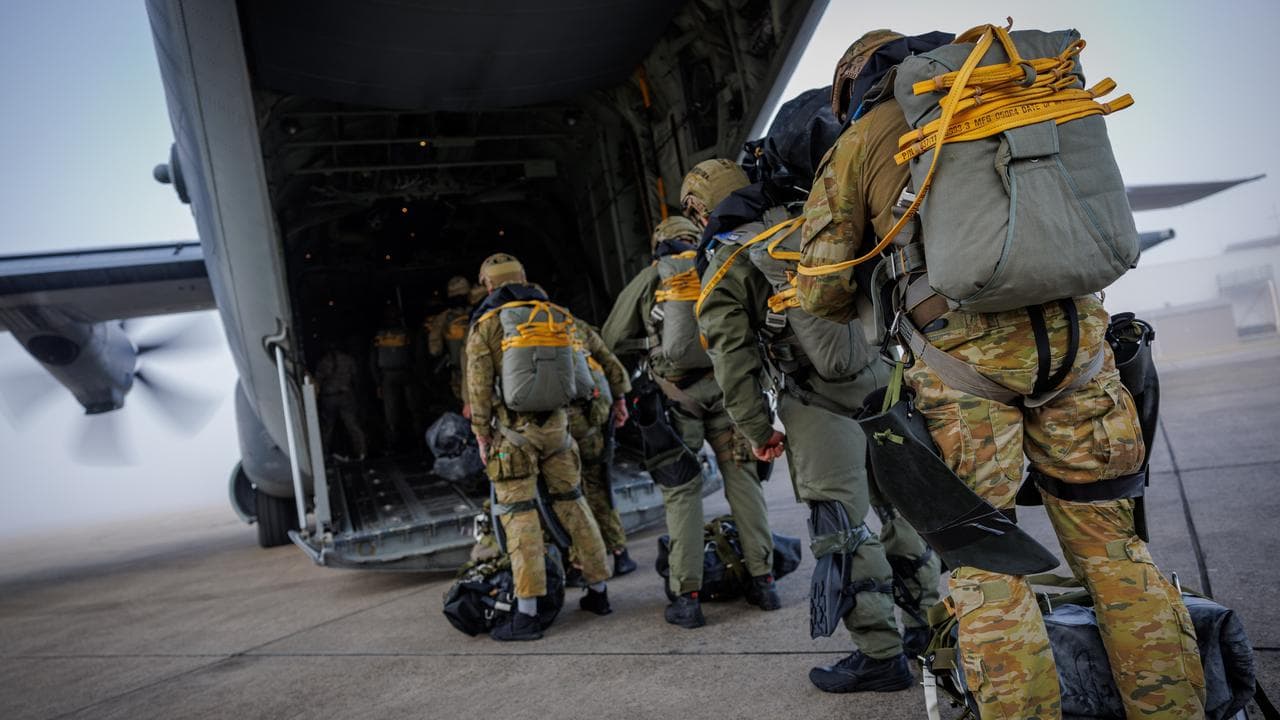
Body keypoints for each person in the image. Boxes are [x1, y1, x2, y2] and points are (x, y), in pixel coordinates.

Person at [796, 29, 1206, 718]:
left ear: (854, 83)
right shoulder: (1023, 94)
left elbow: (819, 294)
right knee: (1113, 551)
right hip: (1080, 349)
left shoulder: (863, 140)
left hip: (965, 370)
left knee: (987, 570)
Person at [695, 89, 940, 693]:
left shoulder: (729, 253)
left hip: (818, 402)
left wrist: (757, 429)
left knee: (844, 528)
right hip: (883, 382)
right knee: (903, 509)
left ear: (702, 210)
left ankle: (880, 656)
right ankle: (932, 630)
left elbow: (733, 355)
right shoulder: (815, 212)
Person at [602, 194, 779, 630]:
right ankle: (764, 582)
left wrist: (649, 342)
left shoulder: (652, 277)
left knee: (682, 493)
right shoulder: (716, 263)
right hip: (728, 392)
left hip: (676, 399)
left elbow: (609, 336)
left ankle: (688, 596)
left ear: (659, 244)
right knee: (745, 484)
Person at [465, 253, 615, 641]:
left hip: (512, 439)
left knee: (521, 519)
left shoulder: (486, 325)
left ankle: (528, 613)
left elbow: (478, 389)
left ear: (488, 285)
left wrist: (482, 436)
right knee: (575, 503)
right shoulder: (556, 315)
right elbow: (584, 382)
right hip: (560, 432)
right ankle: (599, 592)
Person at [566, 321, 638, 582]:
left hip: (556, 424)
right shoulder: (572, 324)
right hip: (591, 417)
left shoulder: (515, 329)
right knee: (598, 484)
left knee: (568, 495)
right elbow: (608, 361)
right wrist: (620, 400)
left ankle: (578, 564)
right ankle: (620, 553)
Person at [371, 304, 426, 451]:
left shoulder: (406, 333)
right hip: (389, 376)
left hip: (405, 373)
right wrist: (378, 382)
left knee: (413, 408)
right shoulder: (380, 335)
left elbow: (416, 354)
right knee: (391, 413)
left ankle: (419, 439)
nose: (392, 318)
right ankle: (394, 443)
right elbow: (373, 359)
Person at [313, 338, 368, 461]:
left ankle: (324, 454)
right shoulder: (348, 360)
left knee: (328, 427)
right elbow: (356, 378)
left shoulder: (323, 362)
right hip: (346, 396)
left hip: (329, 398)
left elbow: (317, 382)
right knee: (352, 425)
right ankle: (362, 452)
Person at [425, 275, 473, 405]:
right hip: (464, 370)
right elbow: (435, 348)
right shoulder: (478, 311)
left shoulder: (444, 317)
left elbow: (435, 349)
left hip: (466, 369)